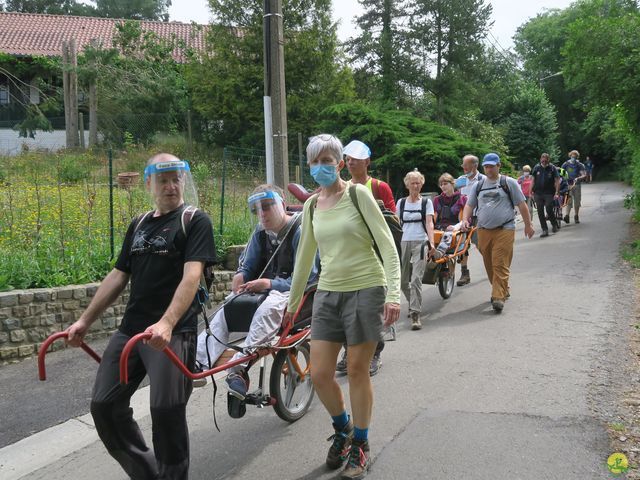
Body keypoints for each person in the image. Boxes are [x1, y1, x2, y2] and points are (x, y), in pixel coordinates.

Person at [66, 153, 216, 479]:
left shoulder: (194, 221)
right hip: (131, 331)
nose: (172, 186)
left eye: (177, 179)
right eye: (164, 180)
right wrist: (84, 321)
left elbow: (192, 276)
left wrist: (167, 322)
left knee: (166, 415)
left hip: (172, 334)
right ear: (149, 183)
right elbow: (119, 276)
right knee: (104, 407)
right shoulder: (139, 224)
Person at [283, 134, 400, 479]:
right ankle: (344, 429)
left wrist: (393, 294)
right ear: (309, 166)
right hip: (328, 293)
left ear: (340, 162)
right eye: (315, 162)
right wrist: (292, 305)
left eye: (327, 160)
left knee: (356, 370)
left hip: (366, 288)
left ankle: (360, 445)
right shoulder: (310, 205)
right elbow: (304, 258)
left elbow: (387, 247)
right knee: (319, 374)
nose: (321, 167)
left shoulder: (358, 194)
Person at [194, 184, 318, 400]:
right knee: (229, 305)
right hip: (265, 292)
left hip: (295, 292)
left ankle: (238, 369)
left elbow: (307, 277)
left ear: (281, 204)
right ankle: (199, 361)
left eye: (267, 206)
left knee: (270, 306)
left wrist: (269, 284)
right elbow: (248, 266)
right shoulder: (260, 233)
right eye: (257, 209)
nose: (262, 213)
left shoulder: (300, 230)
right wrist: (241, 275)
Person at [338, 139, 394, 375]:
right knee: (343, 309)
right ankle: (349, 350)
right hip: (346, 257)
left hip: (374, 257)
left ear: (367, 162)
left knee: (371, 310)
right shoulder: (339, 187)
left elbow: (392, 222)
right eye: (348, 159)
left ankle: (374, 353)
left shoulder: (379, 187)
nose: (351, 163)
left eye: (356, 160)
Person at [460, 153, 534, 313]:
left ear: (498, 166)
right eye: (486, 166)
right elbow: (469, 205)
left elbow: (521, 205)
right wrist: (465, 219)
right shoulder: (478, 186)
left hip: (504, 228)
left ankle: (498, 297)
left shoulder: (509, 183)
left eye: (492, 166)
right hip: (483, 230)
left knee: (499, 262)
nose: (489, 169)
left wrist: (528, 225)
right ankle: (503, 288)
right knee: (489, 264)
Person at [396, 169, 435, 331]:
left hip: (421, 241)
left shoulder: (426, 202)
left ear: (422, 183)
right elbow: (397, 224)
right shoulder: (401, 203)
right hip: (403, 241)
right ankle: (414, 301)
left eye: (418, 182)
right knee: (403, 280)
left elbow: (429, 223)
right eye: (412, 183)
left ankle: (415, 313)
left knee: (416, 279)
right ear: (407, 185)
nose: (416, 185)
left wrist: (431, 243)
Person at [454, 154, 485, 287]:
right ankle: (464, 273)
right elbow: (454, 194)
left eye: (466, 165)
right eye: (463, 165)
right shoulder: (461, 180)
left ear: (475, 165)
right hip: (464, 218)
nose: (464, 168)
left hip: (479, 217)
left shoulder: (483, 179)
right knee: (462, 245)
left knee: (481, 245)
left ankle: (492, 265)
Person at [432, 172, 467, 271]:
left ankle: (439, 253)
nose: (443, 186)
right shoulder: (437, 200)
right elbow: (432, 217)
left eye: (445, 183)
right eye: (441, 184)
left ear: (452, 184)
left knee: (449, 234)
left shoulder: (462, 198)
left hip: (456, 228)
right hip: (439, 227)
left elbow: (466, 218)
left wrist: (456, 227)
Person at [531, 153, 561, 237]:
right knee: (540, 211)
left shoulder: (552, 168)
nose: (544, 161)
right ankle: (545, 230)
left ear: (548, 160)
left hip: (549, 193)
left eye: (546, 159)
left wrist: (557, 192)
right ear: (540, 159)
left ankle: (554, 224)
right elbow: (532, 180)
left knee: (548, 208)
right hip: (538, 193)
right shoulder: (536, 168)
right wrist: (530, 191)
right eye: (542, 159)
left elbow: (557, 180)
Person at [561, 150, 587, 224]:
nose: (573, 158)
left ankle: (576, 216)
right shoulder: (566, 164)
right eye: (572, 156)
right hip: (568, 185)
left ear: (577, 157)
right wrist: (564, 178)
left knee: (577, 201)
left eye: (575, 157)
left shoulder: (579, 164)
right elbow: (561, 173)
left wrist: (578, 178)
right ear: (570, 156)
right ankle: (567, 216)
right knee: (569, 200)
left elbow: (584, 174)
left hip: (577, 184)